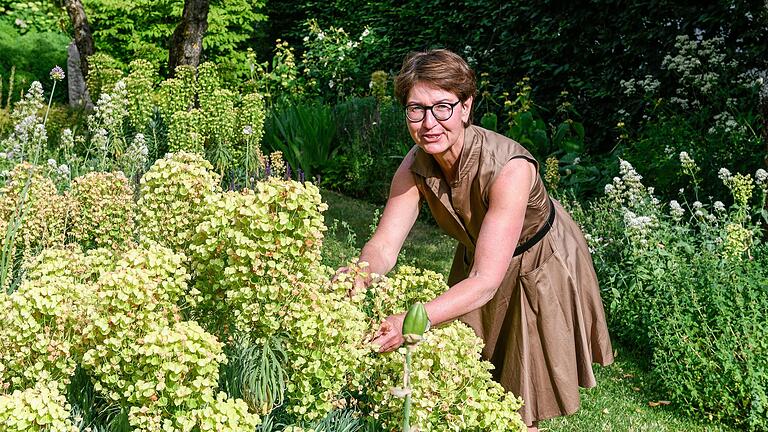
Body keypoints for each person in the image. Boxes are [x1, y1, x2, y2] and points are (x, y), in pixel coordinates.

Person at [347, 49, 614, 430]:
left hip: (538, 262)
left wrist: (412, 320)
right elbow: (384, 245)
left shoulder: (510, 168)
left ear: (466, 106)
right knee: (471, 378)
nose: (429, 123)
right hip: (481, 260)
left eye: (442, 107)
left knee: (522, 398)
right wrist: (357, 275)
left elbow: (486, 281)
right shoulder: (415, 164)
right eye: (416, 109)